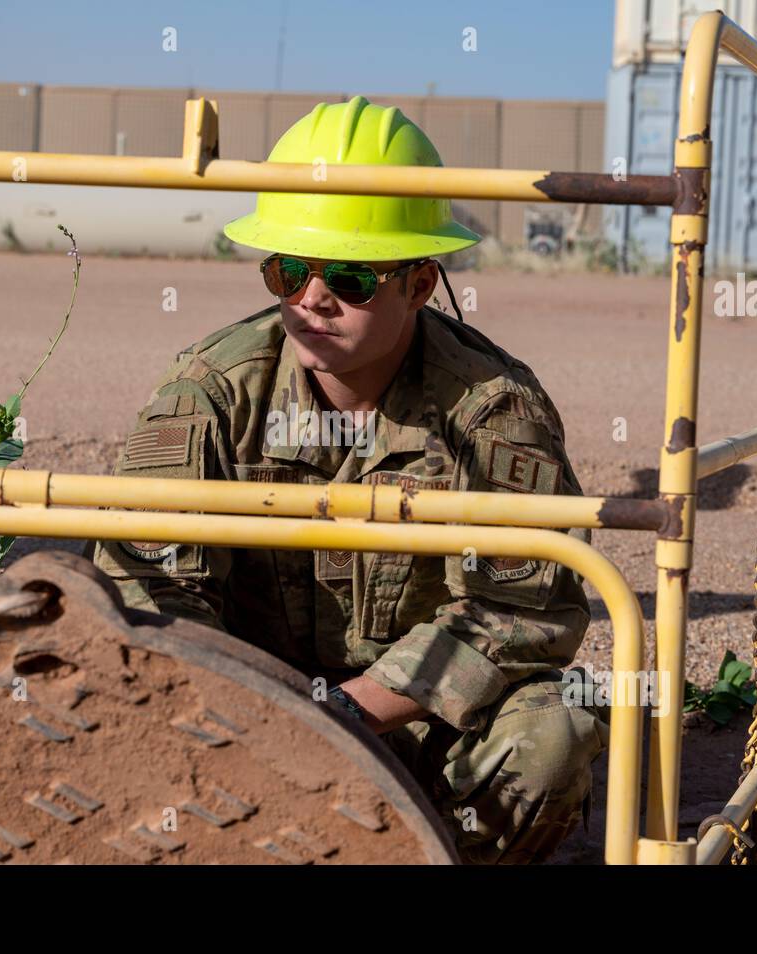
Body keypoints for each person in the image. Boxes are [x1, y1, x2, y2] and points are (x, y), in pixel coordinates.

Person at [89, 95, 608, 864]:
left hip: (428, 725)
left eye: (351, 279)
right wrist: (263, 716)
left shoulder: (493, 411)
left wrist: (348, 713)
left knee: (556, 733)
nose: (312, 299)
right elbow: (154, 593)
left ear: (420, 285)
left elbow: (519, 615)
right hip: (245, 710)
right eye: (287, 270)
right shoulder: (214, 390)